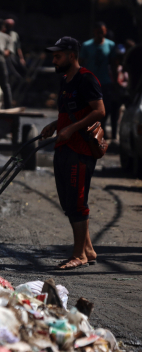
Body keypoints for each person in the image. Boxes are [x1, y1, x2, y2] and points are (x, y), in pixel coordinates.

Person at [40, 37, 105, 270]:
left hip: (80, 149)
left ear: (72, 55)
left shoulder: (87, 79)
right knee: (68, 202)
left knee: (77, 201)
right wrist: (55, 126)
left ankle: (79, 255)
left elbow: (99, 111)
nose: (54, 59)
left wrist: (70, 129)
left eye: (58, 56)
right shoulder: (65, 81)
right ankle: (88, 249)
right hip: (64, 146)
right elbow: (68, 112)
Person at [80, 22, 115, 136]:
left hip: (105, 82)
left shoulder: (110, 45)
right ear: (94, 31)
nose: (100, 34)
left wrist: (115, 81)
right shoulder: (86, 46)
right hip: (90, 82)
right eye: (98, 31)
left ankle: (101, 127)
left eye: (102, 31)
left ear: (105, 32)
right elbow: (80, 64)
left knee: (106, 107)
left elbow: (114, 64)